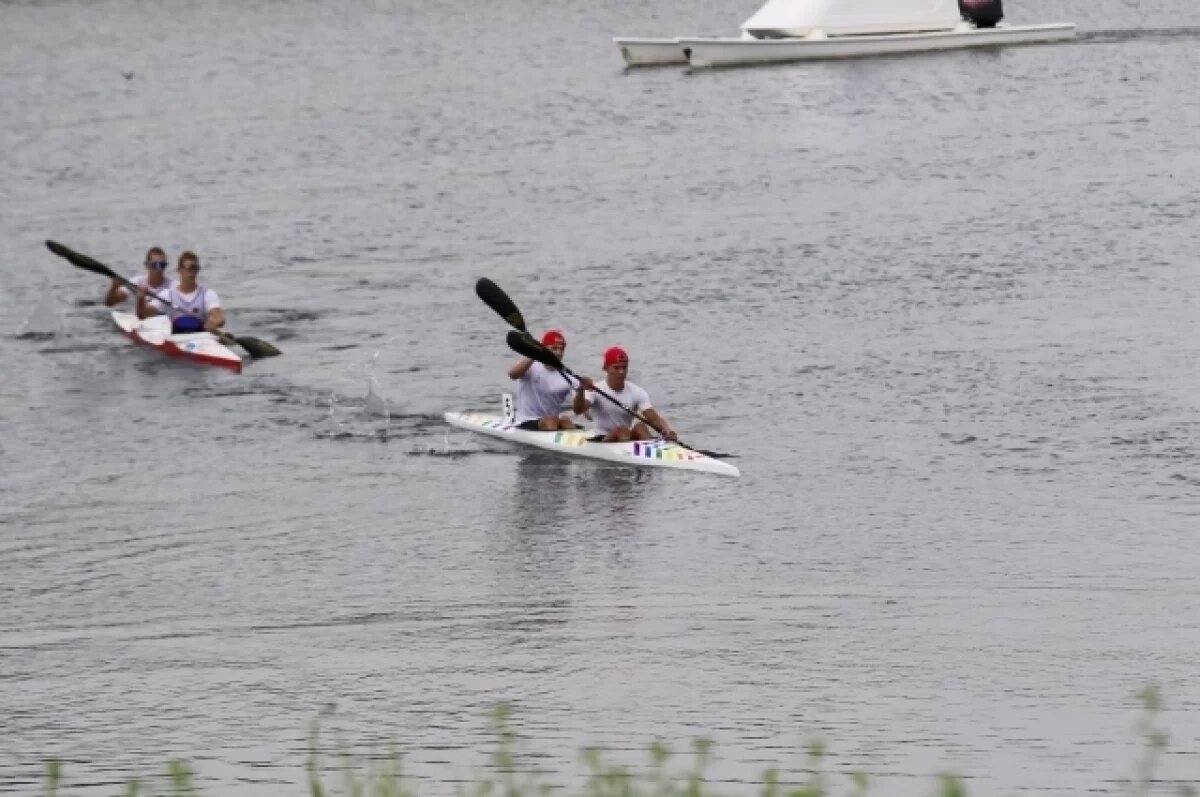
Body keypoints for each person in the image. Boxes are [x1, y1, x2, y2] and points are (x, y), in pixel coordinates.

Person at [572, 346, 677, 443]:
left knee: (641, 427)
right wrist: (581, 389)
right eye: (616, 368)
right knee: (622, 430)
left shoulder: (636, 391)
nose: (621, 372)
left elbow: (654, 418)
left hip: (626, 436)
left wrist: (668, 431)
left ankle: (652, 453)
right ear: (606, 369)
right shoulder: (594, 389)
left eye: (624, 367)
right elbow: (578, 410)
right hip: (603, 439)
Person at [136, 251, 225, 334]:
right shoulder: (168, 295)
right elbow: (143, 315)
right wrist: (141, 298)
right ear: (179, 270)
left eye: (195, 268)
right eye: (189, 269)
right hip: (177, 339)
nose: (192, 273)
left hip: (201, 337)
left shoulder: (207, 294)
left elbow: (218, 315)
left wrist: (215, 322)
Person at [508, 329, 580, 430]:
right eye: (554, 348)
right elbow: (512, 375)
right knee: (550, 421)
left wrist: (585, 390)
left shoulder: (569, 377)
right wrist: (535, 354)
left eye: (562, 349)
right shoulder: (531, 367)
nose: (559, 353)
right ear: (544, 349)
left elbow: (582, 410)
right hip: (526, 421)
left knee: (565, 420)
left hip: (552, 422)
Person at [104, 247, 172, 306]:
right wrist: (114, 286)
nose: (159, 269)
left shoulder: (173, 286)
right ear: (146, 265)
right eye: (155, 265)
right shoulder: (136, 282)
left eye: (162, 265)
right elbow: (110, 303)